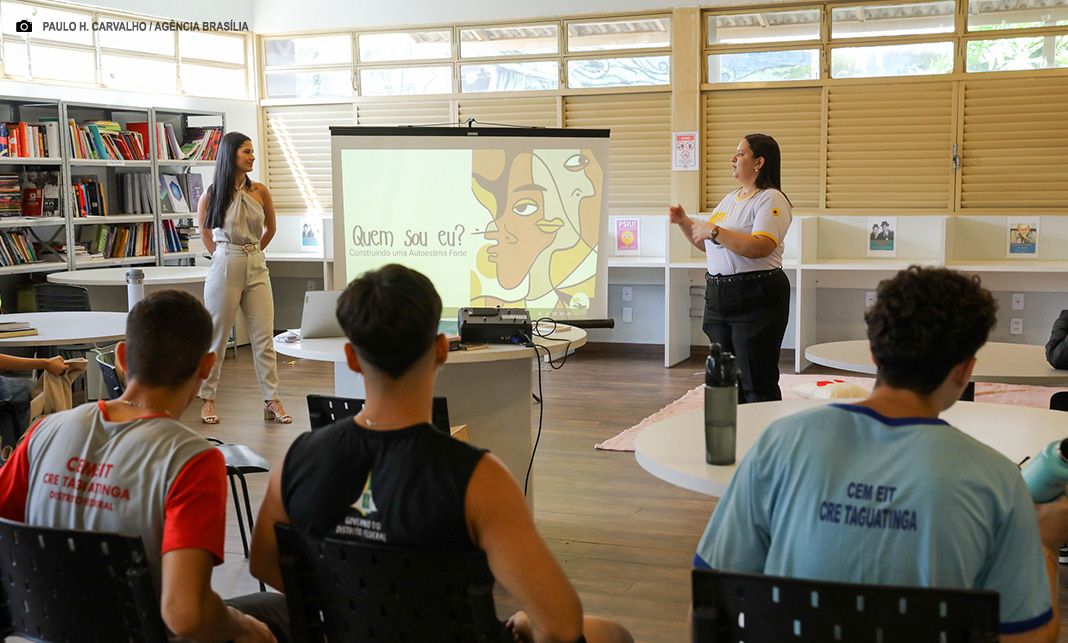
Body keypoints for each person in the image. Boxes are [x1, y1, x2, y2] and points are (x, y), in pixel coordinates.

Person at [249, 264, 633, 643]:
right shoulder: (479, 478)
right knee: (612, 635)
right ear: (440, 350)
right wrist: (522, 621)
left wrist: (353, 600)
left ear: (351, 357)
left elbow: (263, 562)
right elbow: (562, 625)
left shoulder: (296, 461)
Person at [694, 266, 1068, 641]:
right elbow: (1028, 637)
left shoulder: (779, 444)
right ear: (965, 371)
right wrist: (1046, 545)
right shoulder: (998, 481)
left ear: (874, 352)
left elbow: (710, 608)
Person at [0, 290, 286, 642]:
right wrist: (244, 627)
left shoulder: (43, 433)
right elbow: (186, 616)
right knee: (276, 612)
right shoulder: (193, 462)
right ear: (207, 366)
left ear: (121, 356)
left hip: (37, 633)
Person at [668, 133, 793, 402]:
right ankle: (733, 436)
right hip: (720, 296)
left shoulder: (770, 199)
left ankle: (762, 440)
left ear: (759, 162)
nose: (733, 159)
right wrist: (684, 222)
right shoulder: (730, 199)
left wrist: (714, 231)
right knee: (725, 378)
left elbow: (761, 245)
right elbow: (708, 244)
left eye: (741, 153)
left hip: (755, 296)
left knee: (755, 377)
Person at [198, 131, 290, 425]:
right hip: (226, 260)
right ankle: (208, 399)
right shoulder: (212, 193)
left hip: (256, 262)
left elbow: (271, 228)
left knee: (264, 336)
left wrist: (254, 252)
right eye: (246, 152)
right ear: (231, 155)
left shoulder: (260, 191)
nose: (252, 157)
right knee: (217, 337)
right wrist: (222, 254)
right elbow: (204, 230)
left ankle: (271, 399)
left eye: (252, 152)